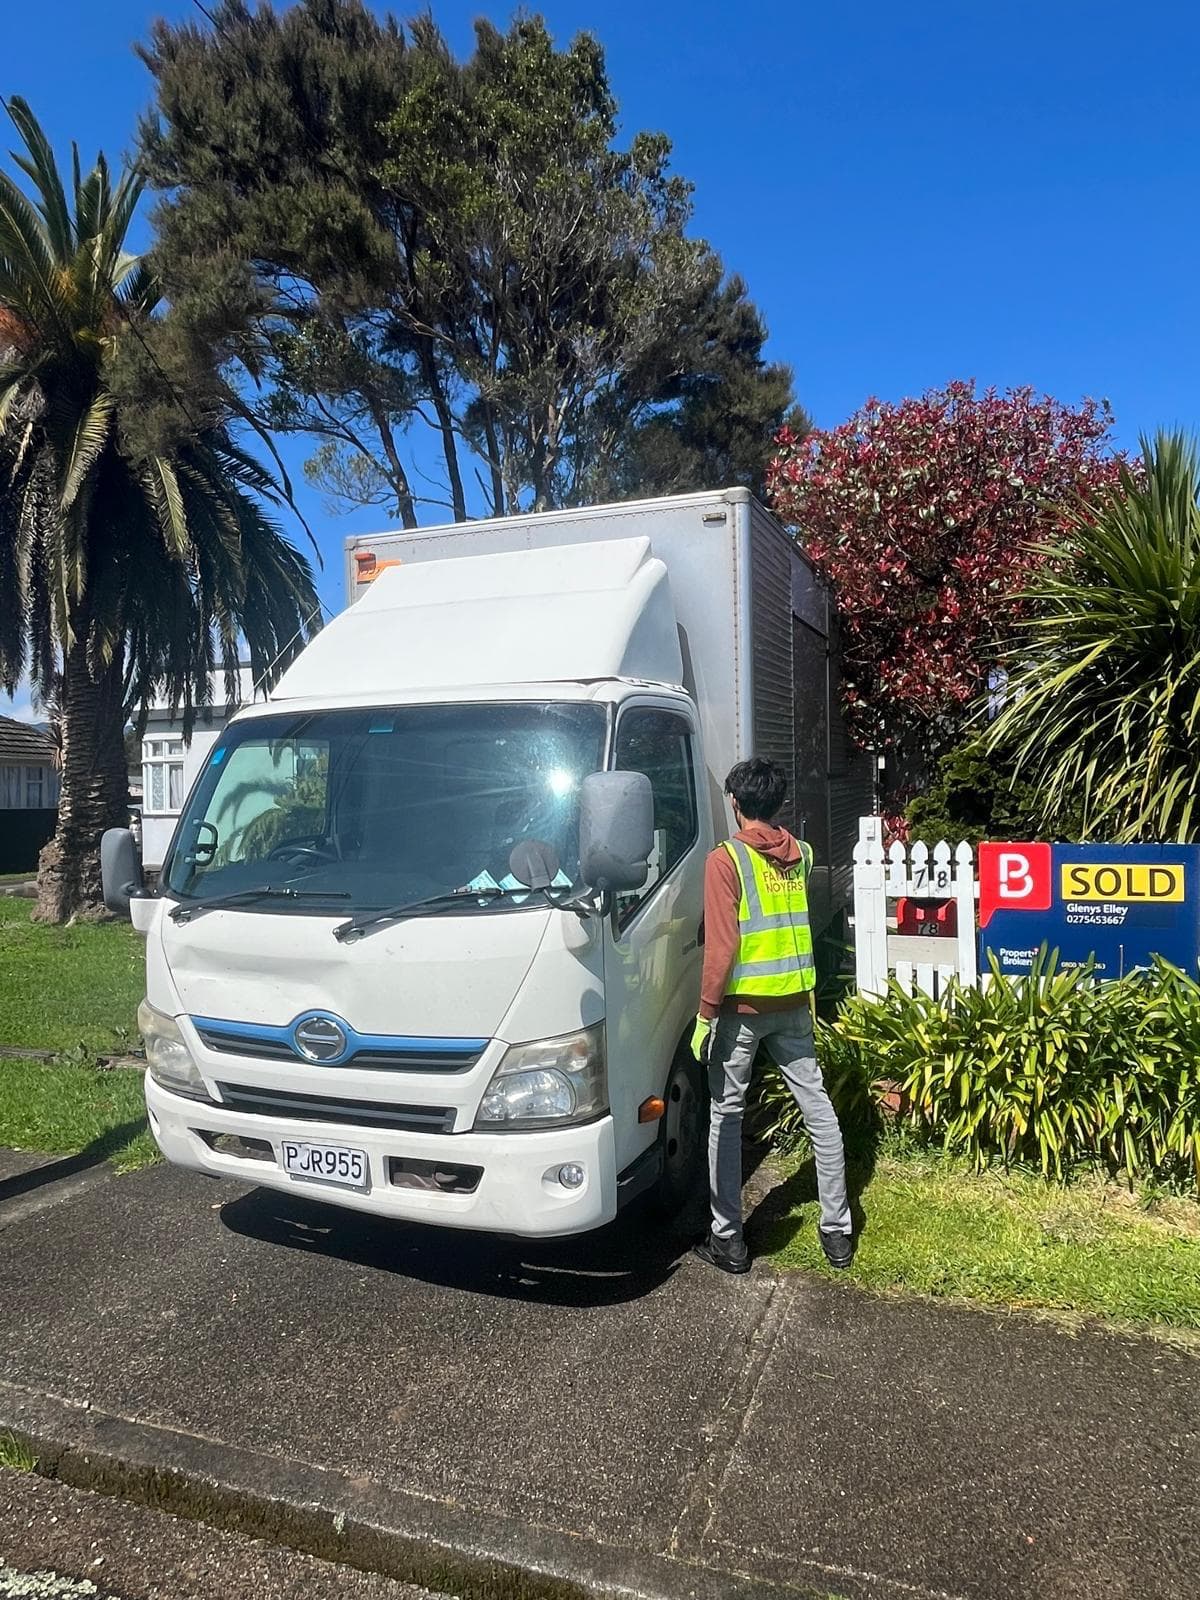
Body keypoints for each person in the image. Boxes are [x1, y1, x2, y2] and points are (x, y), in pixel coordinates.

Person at [690, 757, 853, 1275]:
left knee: (726, 1115)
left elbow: (722, 948)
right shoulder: (800, 854)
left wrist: (704, 1014)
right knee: (818, 1110)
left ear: (735, 803)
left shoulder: (725, 861)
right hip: (794, 1005)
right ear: (778, 804)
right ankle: (838, 1230)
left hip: (742, 1009)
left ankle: (728, 1240)